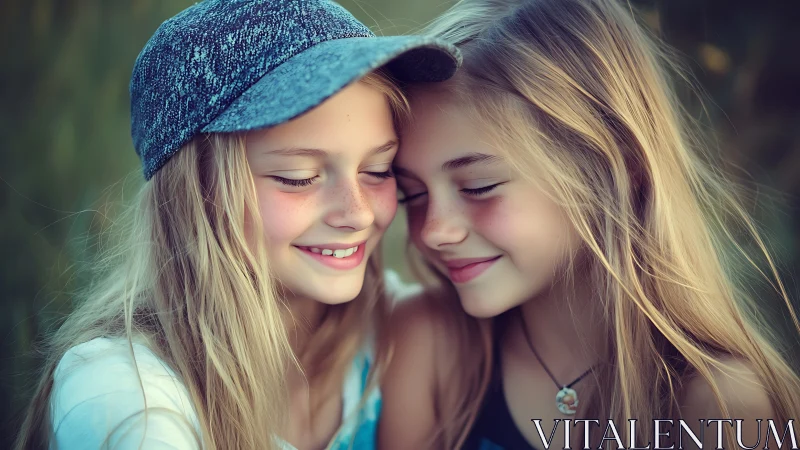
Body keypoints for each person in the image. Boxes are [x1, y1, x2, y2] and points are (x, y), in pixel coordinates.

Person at [14, 1, 460, 449]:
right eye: (298, 178)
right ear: (196, 194)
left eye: (379, 169)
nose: (359, 212)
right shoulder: (123, 394)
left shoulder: (398, 333)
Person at [379, 0, 800, 448]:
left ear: (615, 165)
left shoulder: (722, 406)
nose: (432, 231)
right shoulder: (431, 344)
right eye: (413, 194)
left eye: (479, 186)